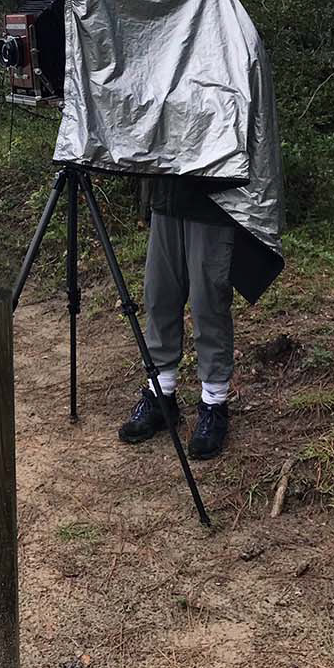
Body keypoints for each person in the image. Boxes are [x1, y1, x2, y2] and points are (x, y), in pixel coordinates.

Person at [117, 178, 236, 459]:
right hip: (167, 192)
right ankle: (161, 394)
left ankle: (214, 403)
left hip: (213, 195)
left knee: (209, 298)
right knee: (159, 293)